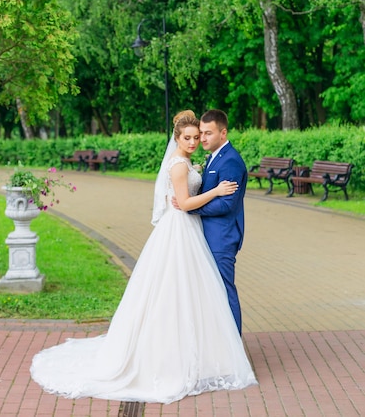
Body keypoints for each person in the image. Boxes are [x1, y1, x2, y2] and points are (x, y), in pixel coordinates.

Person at [30, 110, 256, 404]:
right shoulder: (179, 165)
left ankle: (223, 350)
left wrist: (201, 199)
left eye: (199, 136)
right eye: (189, 137)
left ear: (219, 133)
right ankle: (195, 353)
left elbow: (207, 202)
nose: (195, 141)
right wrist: (208, 195)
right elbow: (185, 202)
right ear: (177, 138)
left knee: (209, 291)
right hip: (182, 229)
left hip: (202, 233)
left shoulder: (214, 161)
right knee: (180, 291)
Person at [177, 109, 247, 335]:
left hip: (222, 238)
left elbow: (227, 204)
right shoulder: (215, 157)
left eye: (208, 133)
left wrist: (191, 207)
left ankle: (234, 347)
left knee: (225, 291)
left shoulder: (231, 162)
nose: (202, 138)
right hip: (207, 236)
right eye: (201, 133)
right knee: (212, 293)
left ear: (223, 133)